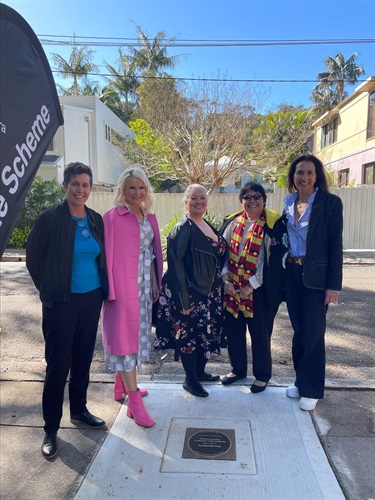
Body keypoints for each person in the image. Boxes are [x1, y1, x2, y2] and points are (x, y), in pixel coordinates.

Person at [26, 162, 109, 460]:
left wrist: (101, 292)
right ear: (65, 185)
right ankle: (50, 428)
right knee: (58, 365)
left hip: (90, 301)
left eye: (85, 185)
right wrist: (50, 291)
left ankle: (79, 410)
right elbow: (33, 258)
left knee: (84, 359)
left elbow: (102, 258)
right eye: (75, 184)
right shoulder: (50, 219)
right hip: (61, 303)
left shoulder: (96, 220)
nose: (80, 190)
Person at [101, 167, 162, 428]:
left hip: (144, 287)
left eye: (140, 188)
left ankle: (120, 386)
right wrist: (110, 292)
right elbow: (106, 257)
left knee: (135, 336)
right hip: (122, 289)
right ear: (122, 191)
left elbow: (150, 252)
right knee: (124, 340)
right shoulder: (112, 217)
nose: (136, 193)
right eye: (131, 188)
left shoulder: (149, 217)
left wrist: (155, 280)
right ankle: (134, 401)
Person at [155, 184, 227, 397]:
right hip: (191, 293)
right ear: (186, 202)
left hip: (209, 292)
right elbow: (175, 265)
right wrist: (182, 300)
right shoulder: (182, 228)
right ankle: (190, 379)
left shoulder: (204, 223)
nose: (199, 201)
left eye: (202, 197)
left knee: (203, 335)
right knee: (189, 337)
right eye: (194, 198)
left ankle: (200, 371)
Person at [284, 154, 343, 411]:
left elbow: (335, 246)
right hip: (293, 275)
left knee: (314, 335)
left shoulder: (330, 203)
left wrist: (334, 285)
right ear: (293, 176)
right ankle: (300, 381)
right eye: (299, 173)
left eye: (309, 172)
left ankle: (313, 389)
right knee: (299, 333)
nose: (304, 177)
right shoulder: (288, 202)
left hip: (317, 278)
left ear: (316, 175)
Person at [220, 182, 288, 393]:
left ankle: (262, 375)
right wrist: (226, 281)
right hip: (232, 290)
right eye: (247, 197)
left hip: (259, 292)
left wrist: (252, 285)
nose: (252, 201)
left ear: (264, 201)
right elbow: (222, 254)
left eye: (256, 196)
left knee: (260, 334)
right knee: (234, 332)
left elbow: (272, 261)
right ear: (241, 200)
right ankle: (238, 369)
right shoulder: (232, 223)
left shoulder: (273, 224)